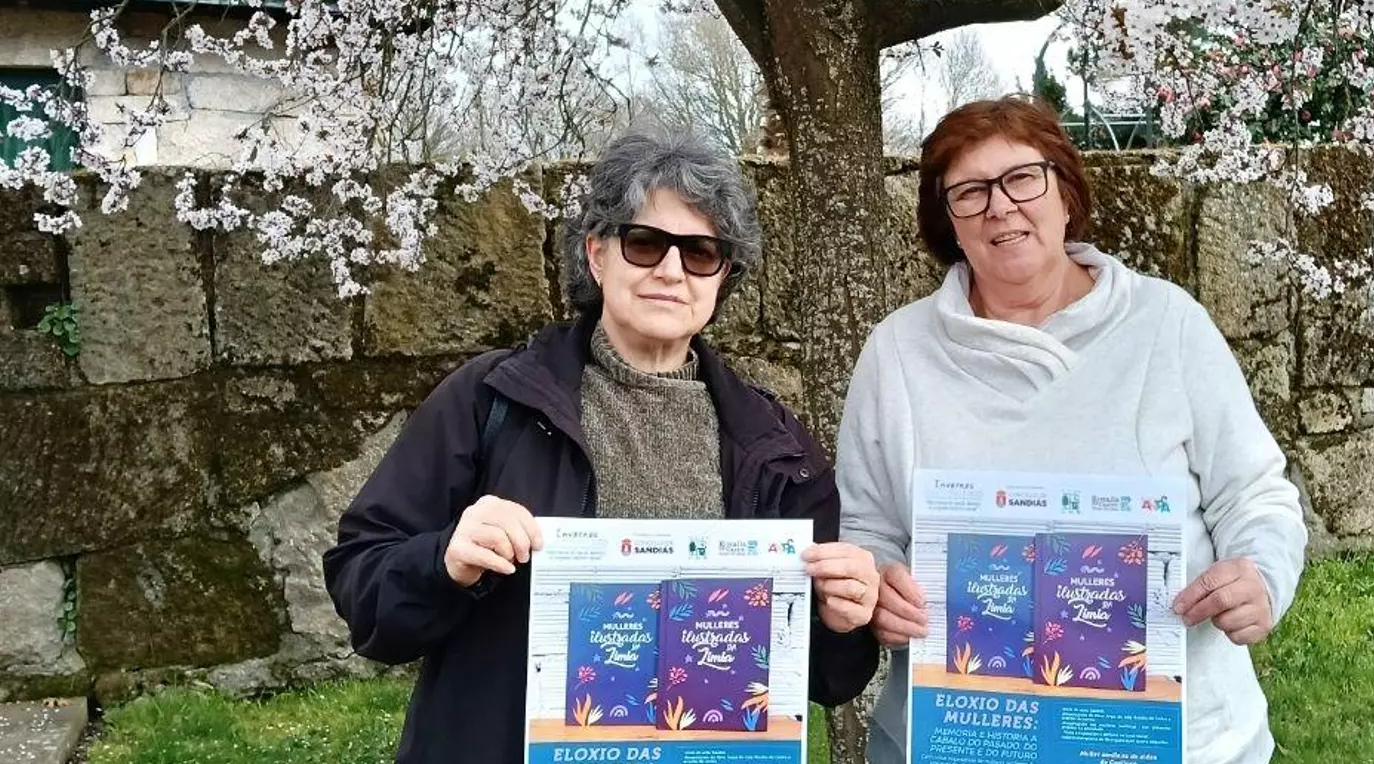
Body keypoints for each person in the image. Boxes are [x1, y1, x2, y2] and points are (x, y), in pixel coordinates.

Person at [325, 133, 882, 764]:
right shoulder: (490, 400)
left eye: (700, 253)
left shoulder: (774, 443)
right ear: (597, 254)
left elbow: (827, 677)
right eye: (644, 243)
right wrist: (445, 560)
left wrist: (842, 620)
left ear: (723, 275)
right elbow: (362, 587)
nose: (670, 271)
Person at [835, 96, 1308, 764]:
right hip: (963, 735)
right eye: (970, 192)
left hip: (1175, 737)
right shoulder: (898, 352)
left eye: (1022, 179)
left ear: (1065, 193)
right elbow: (867, 525)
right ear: (949, 223)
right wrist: (880, 584)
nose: (1000, 206)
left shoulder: (1168, 324)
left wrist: (1260, 574)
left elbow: (1254, 495)